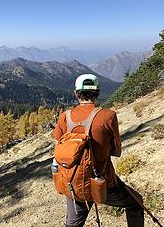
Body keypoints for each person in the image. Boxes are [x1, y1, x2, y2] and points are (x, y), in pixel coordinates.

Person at [52, 74, 144, 227]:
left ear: (76, 93)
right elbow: (116, 151)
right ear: (97, 93)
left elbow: (58, 150)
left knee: (73, 224)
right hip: (103, 183)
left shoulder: (65, 117)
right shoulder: (108, 116)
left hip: (73, 184)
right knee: (136, 203)